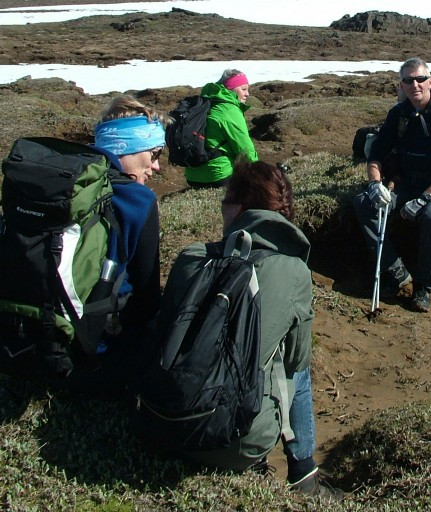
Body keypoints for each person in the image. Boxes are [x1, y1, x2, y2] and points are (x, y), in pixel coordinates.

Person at [162, 160, 330, 496]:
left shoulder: (191, 257)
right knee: (295, 368)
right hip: (236, 442)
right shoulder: (295, 271)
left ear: (238, 208)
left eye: (225, 201)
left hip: (162, 424)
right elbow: (297, 359)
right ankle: (303, 474)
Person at [65, 95, 166, 392]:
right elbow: (147, 298)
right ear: (129, 147)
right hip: (96, 352)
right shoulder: (138, 200)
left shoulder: (63, 181)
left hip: (22, 341)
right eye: (154, 153)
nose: (157, 166)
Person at [353, 57, 431, 313]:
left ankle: (424, 287)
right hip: (406, 182)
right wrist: (374, 184)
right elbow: (376, 154)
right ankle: (397, 273)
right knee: (363, 203)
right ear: (401, 85)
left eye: (420, 79)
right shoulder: (399, 114)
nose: (414, 84)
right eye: (408, 80)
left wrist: (424, 199)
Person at [184, 68, 258, 189]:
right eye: (243, 89)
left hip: (191, 176)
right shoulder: (229, 110)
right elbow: (244, 148)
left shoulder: (205, 103)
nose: (247, 94)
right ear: (230, 89)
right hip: (219, 176)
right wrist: (258, 172)